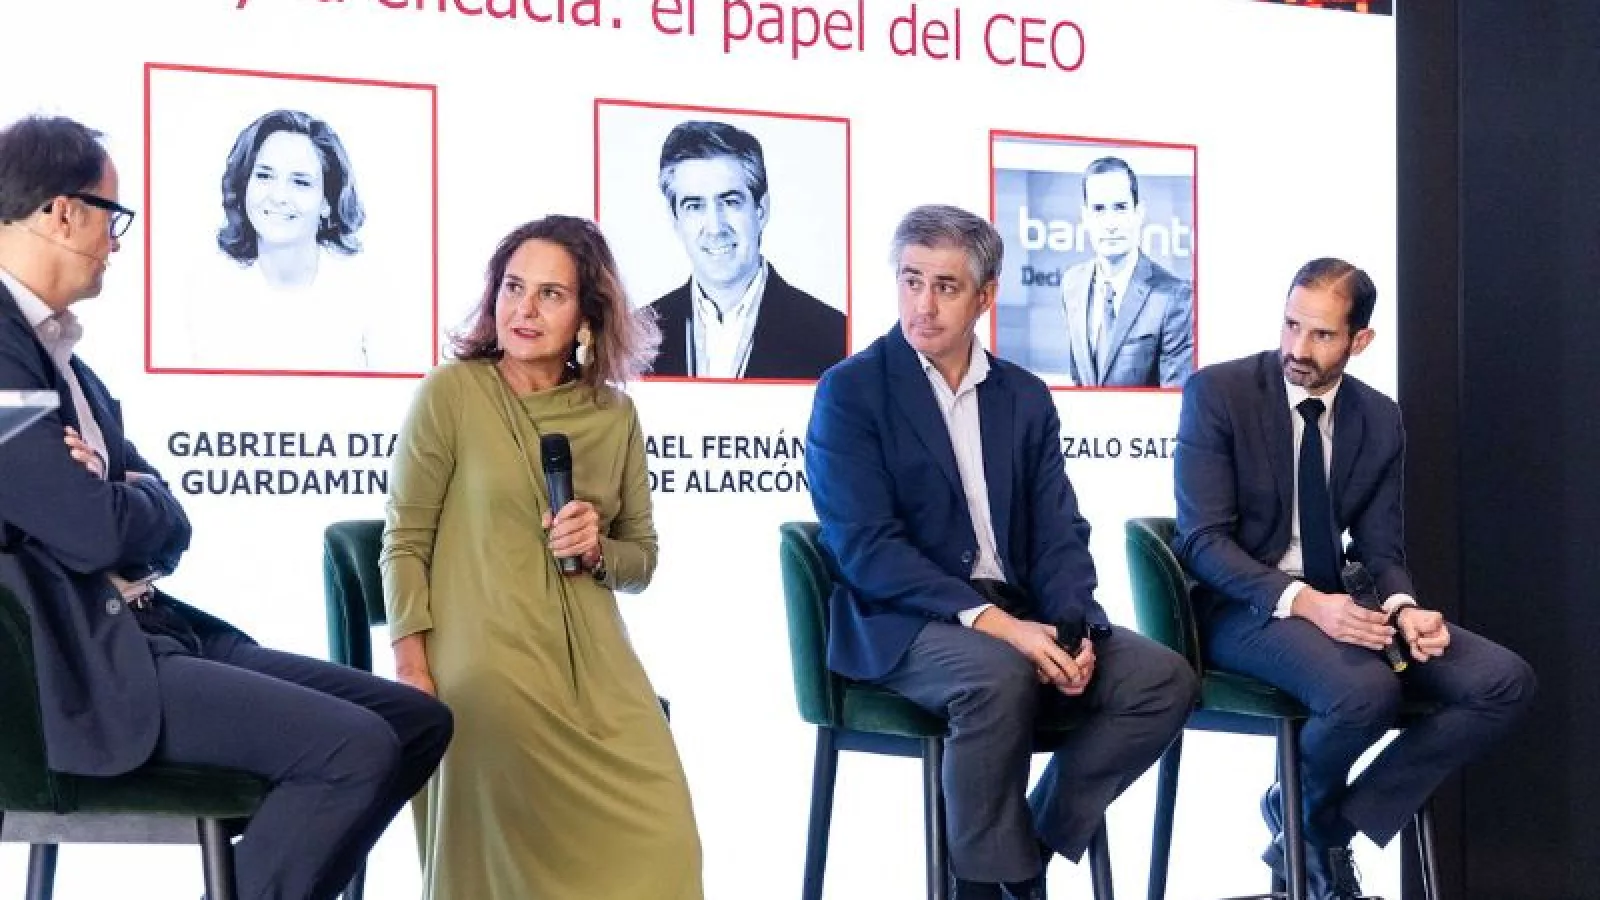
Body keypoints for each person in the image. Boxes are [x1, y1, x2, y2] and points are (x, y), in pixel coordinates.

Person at [0, 114, 452, 900]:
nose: (116, 242)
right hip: (84, 672)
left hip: (155, 632)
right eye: (111, 216)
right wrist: (124, 497)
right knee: (350, 751)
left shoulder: (61, 353)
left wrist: (130, 494)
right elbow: (91, 528)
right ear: (63, 212)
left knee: (416, 722)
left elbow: (163, 515)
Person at [805, 204, 1197, 900]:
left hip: (1020, 611)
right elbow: (868, 550)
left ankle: (1027, 846)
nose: (923, 305)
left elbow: (1057, 531)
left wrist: (1073, 628)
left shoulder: (1024, 396)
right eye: (911, 281)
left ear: (985, 296)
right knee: (999, 675)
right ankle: (990, 885)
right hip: (904, 619)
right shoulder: (852, 390)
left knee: (1163, 679)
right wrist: (1000, 627)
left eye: (946, 287)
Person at [1172, 258, 1536, 899]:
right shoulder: (1219, 393)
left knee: (1501, 681)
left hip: (1344, 604)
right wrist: (1305, 602)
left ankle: (1314, 821)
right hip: (1244, 606)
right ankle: (1315, 833)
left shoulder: (1378, 416)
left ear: (1359, 340)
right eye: (1291, 325)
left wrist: (1403, 607)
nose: (1298, 348)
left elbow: (1380, 545)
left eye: (1321, 335)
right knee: (1367, 692)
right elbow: (1202, 543)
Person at [382, 215, 702, 899]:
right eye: (513, 287)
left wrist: (596, 546)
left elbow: (642, 560)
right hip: (480, 657)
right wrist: (413, 672)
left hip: (595, 662)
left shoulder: (614, 415)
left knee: (666, 832)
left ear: (588, 314)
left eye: (550, 294)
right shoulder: (452, 393)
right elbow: (404, 540)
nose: (524, 309)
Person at [167, 108, 417, 373]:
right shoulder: (204, 287)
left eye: (300, 182)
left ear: (327, 202)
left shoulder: (370, 290)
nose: (279, 197)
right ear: (244, 186)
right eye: (264, 176)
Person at [647, 119, 845, 380]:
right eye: (694, 206)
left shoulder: (835, 335)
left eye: (730, 202)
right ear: (675, 219)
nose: (715, 228)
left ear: (761, 210)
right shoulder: (634, 335)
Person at [1038, 156, 1193, 388]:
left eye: (1120, 208)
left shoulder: (1174, 297)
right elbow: (1080, 381)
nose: (1110, 224)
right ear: (1085, 217)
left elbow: (1174, 400)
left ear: (1138, 213)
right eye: (1099, 209)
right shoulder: (1072, 284)